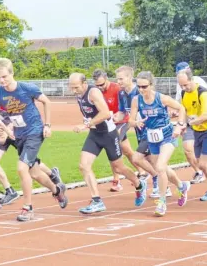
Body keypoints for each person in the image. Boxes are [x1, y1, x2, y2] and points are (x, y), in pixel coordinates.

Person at [0, 58, 68, 222]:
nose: (2, 80)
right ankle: (57, 190)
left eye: (4, 76)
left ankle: (28, 208)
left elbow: (46, 102)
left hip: (35, 131)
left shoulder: (26, 88)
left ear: (12, 73)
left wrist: (47, 125)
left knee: (21, 168)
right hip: (20, 135)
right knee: (34, 173)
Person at [0, 74, 63, 205]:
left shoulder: (0, 95)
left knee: (28, 162)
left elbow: (14, 113)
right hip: (2, 131)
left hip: (16, 129)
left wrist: (7, 132)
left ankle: (52, 174)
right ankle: (10, 191)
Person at [69, 72, 147, 214]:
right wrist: (88, 122)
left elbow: (105, 113)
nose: (74, 91)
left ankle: (139, 184)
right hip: (95, 134)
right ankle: (97, 200)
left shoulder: (93, 92)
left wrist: (87, 124)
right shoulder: (79, 95)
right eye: (71, 88)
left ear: (84, 83)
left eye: (76, 87)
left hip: (109, 134)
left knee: (118, 167)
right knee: (84, 166)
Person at [129, 71, 190, 217]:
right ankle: (182, 186)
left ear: (151, 85)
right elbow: (130, 120)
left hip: (167, 135)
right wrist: (136, 122)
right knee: (161, 169)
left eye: (144, 86)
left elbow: (181, 108)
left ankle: (162, 202)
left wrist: (179, 125)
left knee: (160, 167)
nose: (141, 90)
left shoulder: (162, 98)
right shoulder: (137, 100)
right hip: (152, 137)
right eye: (139, 87)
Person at [114, 66, 170, 199]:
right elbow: (124, 112)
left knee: (145, 159)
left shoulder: (140, 92)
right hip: (140, 132)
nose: (119, 81)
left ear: (129, 78)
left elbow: (157, 105)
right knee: (148, 160)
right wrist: (116, 117)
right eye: (117, 79)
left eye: (121, 78)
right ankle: (169, 184)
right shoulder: (121, 94)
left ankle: (162, 184)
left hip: (151, 131)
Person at [92, 69, 151, 192]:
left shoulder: (118, 89)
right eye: (97, 85)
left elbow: (127, 111)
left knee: (114, 146)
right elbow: (121, 109)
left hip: (125, 122)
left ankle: (118, 179)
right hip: (115, 122)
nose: (100, 87)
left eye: (102, 84)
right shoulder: (114, 92)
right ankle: (141, 172)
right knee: (128, 152)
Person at [177, 69, 207, 201]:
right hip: (198, 131)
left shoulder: (203, 94)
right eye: (181, 86)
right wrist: (181, 121)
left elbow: (205, 116)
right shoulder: (184, 94)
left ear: (192, 80)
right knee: (200, 161)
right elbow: (184, 110)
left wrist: (188, 124)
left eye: (186, 84)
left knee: (203, 164)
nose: (184, 88)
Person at [175, 62, 207, 184]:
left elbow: (203, 102)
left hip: (202, 122)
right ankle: (199, 172)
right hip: (189, 123)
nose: (183, 87)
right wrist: (178, 117)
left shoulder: (200, 83)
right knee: (188, 150)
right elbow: (179, 105)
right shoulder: (180, 86)